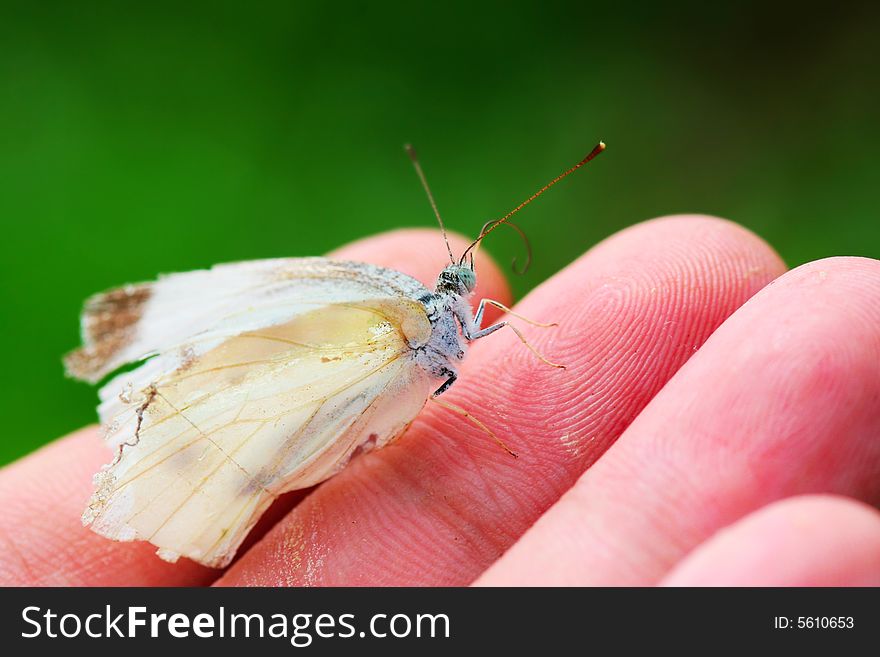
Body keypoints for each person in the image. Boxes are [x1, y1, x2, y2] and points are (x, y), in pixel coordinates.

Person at [2, 215, 879, 586]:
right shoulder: (392, 309)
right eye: (459, 285)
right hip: (235, 419)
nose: (463, 291)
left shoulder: (427, 318)